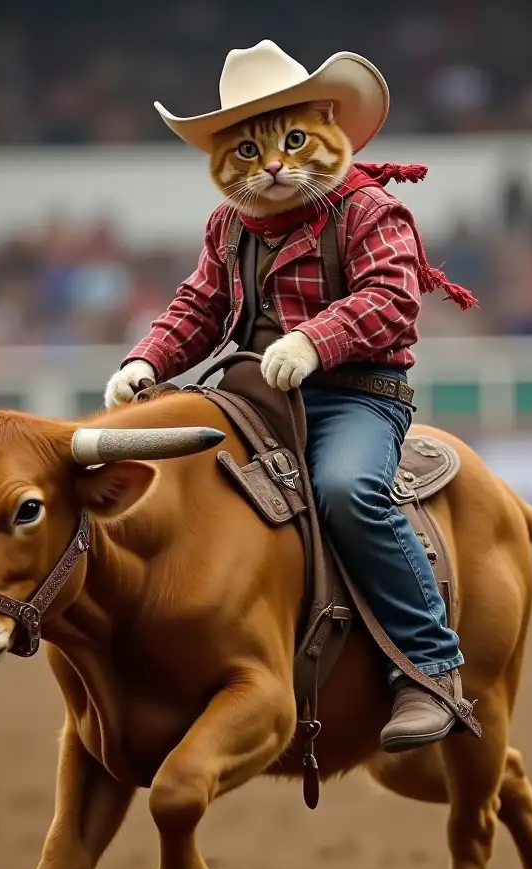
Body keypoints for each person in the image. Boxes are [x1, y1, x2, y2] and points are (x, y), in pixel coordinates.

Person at [104, 40, 479, 752]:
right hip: (256, 398)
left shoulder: (370, 209)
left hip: (357, 397)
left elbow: (392, 301)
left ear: (329, 131)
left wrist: (314, 341)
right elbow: (197, 309)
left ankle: (432, 669)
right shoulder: (227, 228)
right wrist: (145, 361)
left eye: (293, 141)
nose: (273, 165)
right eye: (248, 152)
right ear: (221, 162)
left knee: (346, 488)